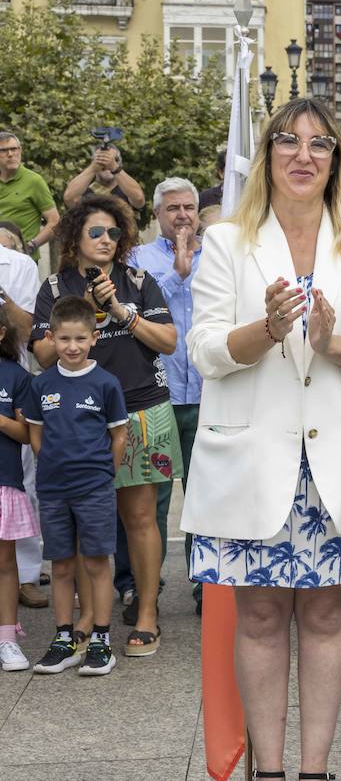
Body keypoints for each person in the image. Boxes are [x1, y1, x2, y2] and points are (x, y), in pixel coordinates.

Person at [182, 98, 341, 781]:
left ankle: (314, 771)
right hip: (255, 459)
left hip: (337, 460)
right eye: (288, 141)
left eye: (319, 143)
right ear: (268, 155)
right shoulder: (228, 240)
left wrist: (331, 342)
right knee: (256, 617)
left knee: (325, 613)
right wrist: (267, 331)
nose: (303, 155)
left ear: (337, 157)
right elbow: (202, 349)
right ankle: (270, 772)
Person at [30, 195, 179, 657]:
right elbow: (41, 353)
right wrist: (85, 318)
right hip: (75, 419)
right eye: (96, 232)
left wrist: (120, 311)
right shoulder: (55, 288)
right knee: (76, 524)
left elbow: (169, 342)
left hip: (139, 410)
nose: (107, 241)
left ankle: (148, 613)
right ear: (75, 237)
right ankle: (86, 620)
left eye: (114, 233)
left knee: (139, 518)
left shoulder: (138, 281)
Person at [27, 296, 128, 676]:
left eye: (80, 339)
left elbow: (119, 436)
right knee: (62, 565)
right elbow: (37, 435)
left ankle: (100, 639)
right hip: (53, 490)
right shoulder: (43, 384)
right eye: (64, 339)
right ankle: (64, 638)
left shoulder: (105, 383)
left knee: (97, 562)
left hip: (94, 489)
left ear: (94, 338)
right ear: (51, 338)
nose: (72, 347)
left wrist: (105, 473)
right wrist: (51, 465)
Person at [129, 178, 202, 610]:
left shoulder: (218, 256)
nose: (181, 215)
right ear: (156, 214)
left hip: (209, 394)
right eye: (172, 207)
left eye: (188, 207)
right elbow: (136, 315)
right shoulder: (138, 260)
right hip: (157, 395)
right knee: (151, 500)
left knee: (203, 497)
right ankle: (146, 590)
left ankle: (204, 585)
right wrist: (178, 274)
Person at [0, 224, 43, 610]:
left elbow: (26, 329)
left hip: (9, 377)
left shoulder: (19, 264)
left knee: (19, 481)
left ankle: (26, 575)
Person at [0, 305, 35, 670]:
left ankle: (7, 638)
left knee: (5, 563)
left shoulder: (16, 376)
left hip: (4, 482)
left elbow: (27, 433)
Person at [0, 132, 60, 258]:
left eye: (14, 149)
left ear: (20, 150)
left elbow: (54, 221)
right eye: (4, 151)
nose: (10, 154)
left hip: (23, 259)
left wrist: (32, 245)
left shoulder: (34, 181)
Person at [61, 144, 145, 211]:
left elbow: (139, 199)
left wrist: (115, 168)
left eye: (115, 159)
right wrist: (93, 168)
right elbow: (69, 198)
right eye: (101, 159)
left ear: (120, 164)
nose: (108, 163)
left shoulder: (127, 191)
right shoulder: (84, 192)